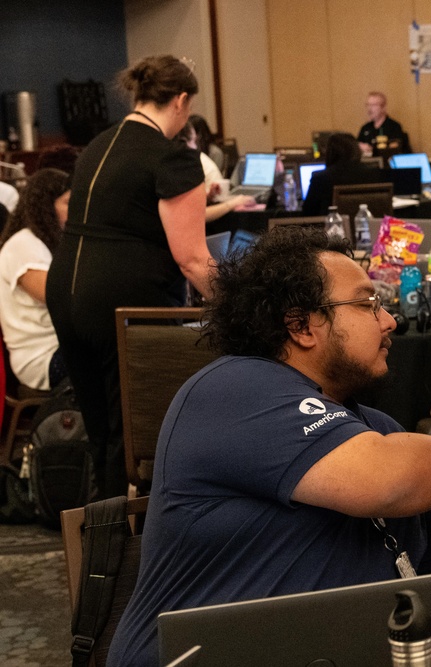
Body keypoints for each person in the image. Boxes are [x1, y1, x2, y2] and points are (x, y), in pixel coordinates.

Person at [105, 226, 431, 666]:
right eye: (368, 304)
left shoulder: (376, 429)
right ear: (301, 325)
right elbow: (384, 482)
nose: (389, 321)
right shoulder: (233, 390)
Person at [46, 55, 214, 498]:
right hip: (120, 302)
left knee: (100, 432)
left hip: (65, 290)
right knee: (133, 438)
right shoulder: (172, 157)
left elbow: (73, 213)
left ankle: (100, 547)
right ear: (181, 101)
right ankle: (131, 552)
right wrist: (245, 303)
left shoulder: (99, 143)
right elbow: (193, 259)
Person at [0, 169, 71, 391]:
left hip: (60, 346)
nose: (77, 211)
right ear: (46, 207)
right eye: (68, 203)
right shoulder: (24, 245)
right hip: (42, 357)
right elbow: (62, 298)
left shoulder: (46, 242)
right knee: (118, 358)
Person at [175, 121, 254, 222]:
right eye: (194, 141)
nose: (196, 147)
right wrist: (233, 203)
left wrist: (207, 197)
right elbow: (196, 215)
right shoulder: (188, 166)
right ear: (183, 142)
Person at [301, 132, 385, 216]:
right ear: (356, 150)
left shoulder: (320, 178)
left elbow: (308, 213)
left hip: (333, 227)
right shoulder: (374, 173)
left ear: (330, 152)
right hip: (369, 226)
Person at [357, 91, 409, 157]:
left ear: (383, 108)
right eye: (368, 105)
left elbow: (395, 150)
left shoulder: (394, 127)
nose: (369, 109)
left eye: (373, 105)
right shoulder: (365, 128)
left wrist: (372, 149)